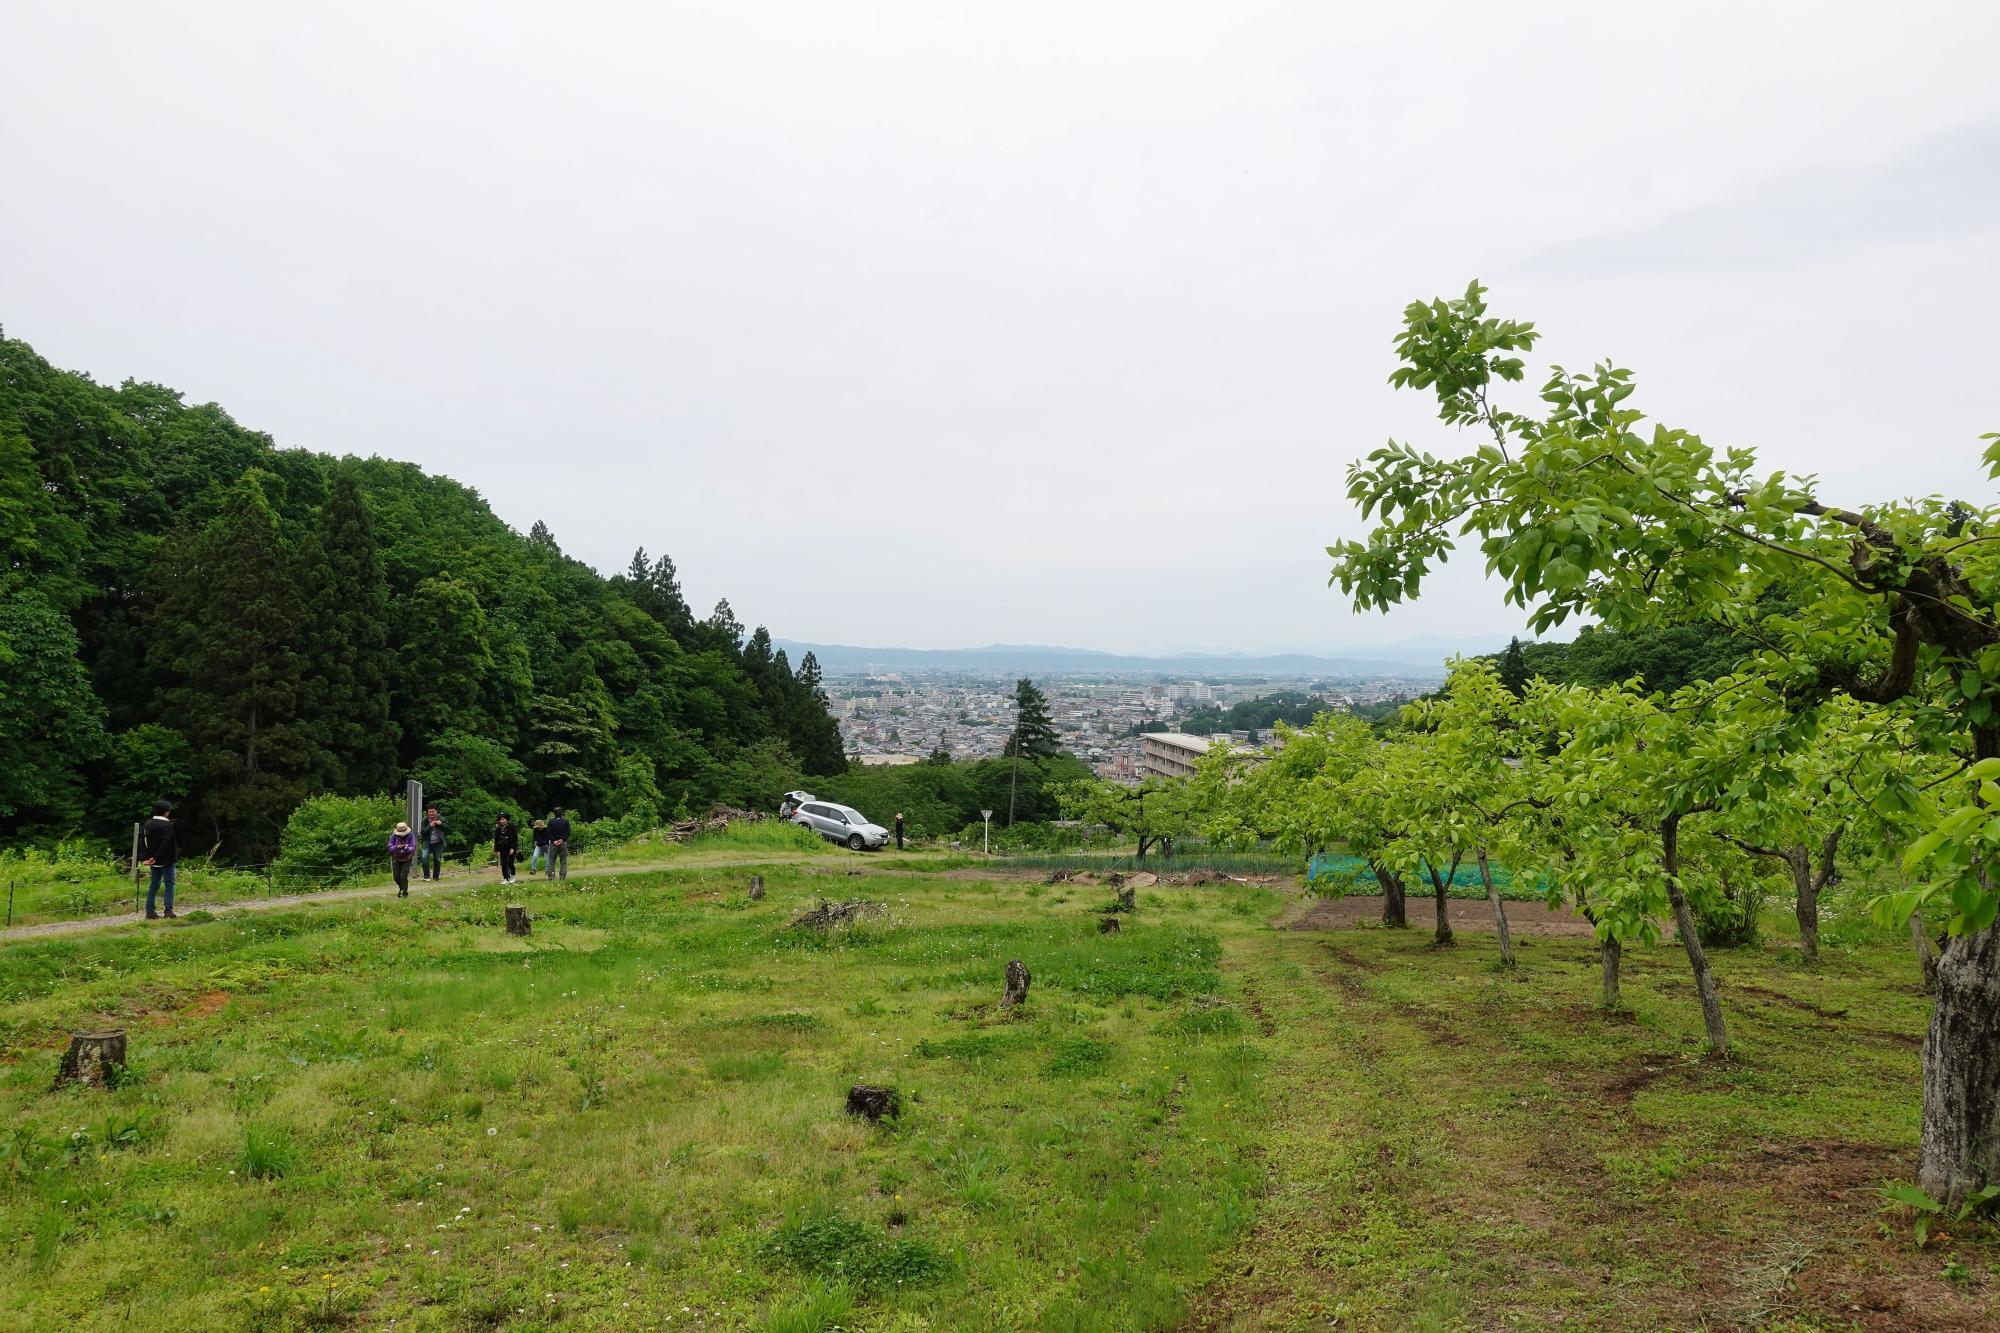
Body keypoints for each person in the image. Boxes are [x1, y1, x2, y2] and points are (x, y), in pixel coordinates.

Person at [140, 799, 179, 920]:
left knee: (154, 885)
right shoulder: (168, 825)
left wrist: (148, 857)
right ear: (167, 812)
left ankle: (150, 912)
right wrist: (156, 856)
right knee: (169, 884)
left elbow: (144, 842)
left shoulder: (147, 824)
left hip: (153, 861)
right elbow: (166, 843)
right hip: (166, 860)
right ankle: (168, 911)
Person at [388, 820, 418, 896]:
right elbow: (390, 847)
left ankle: (404, 892)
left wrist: (407, 848)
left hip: (407, 857)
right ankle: (402, 888)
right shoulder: (393, 836)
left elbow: (413, 846)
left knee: (404, 876)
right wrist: (396, 847)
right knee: (396, 876)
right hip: (396, 857)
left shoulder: (411, 835)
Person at [419, 806, 450, 881]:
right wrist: (430, 826)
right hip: (426, 842)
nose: (431, 813)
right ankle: (426, 876)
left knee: (437, 859)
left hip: (438, 842)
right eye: (430, 812)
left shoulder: (442, 819)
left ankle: (436, 877)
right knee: (424, 857)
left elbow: (449, 829)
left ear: (436, 811)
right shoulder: (425, 820)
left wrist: (441, 824)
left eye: (433, 811)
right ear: (428, 812)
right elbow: (422, 832)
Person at [545, 806, 571, 881]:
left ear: (554, 814)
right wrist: (562, 839)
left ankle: (551, 877)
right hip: (563, 843)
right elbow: (568, 832)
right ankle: (562, 877)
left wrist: (554, 840)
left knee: (551, 862)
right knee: (563, 861)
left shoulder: (550, 822)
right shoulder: (566, 821)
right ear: (562, 813)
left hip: (553, 844)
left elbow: (548, 833)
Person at [493, 813, 520, 884]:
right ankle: (505, 878)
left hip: (511, 847)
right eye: (500, 820)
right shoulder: (498, 828)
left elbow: (515, 838)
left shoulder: (512, 826)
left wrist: (513, 848)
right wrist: (497, 850)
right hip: (502, 848)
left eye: (503, 819)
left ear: (506, 819)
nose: (502, 821)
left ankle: (513, 877)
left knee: (511, 863)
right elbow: (496, 840)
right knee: (504, 864)